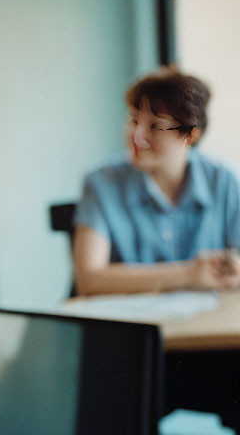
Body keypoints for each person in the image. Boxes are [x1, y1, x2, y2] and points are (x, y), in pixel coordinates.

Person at [73, 67, 240, 296]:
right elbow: (89, 280)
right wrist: (188, 274)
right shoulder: (102, 183)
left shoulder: (225, 181)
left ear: (190, 135)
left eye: (155, 126)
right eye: (133, 120)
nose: (136, 136)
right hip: (132, 327)